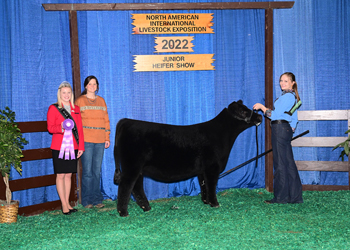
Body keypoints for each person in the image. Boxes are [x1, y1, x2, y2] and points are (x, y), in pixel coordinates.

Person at [253, 72, 303, 204]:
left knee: (280, 163)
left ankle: (281, 197)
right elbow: (294, 116)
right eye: (281, 81)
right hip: (284, 129)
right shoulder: (292, 97)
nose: (282, 83)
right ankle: (295, 197)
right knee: (288, 163)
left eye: (285, 81)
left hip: (279, 129)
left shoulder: (287, 97)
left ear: (292, 83)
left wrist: (262, 107)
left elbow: (274, 115)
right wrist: (290, 127)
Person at [47, 81, 85, 215]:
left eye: (69, 92)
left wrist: (81, 146)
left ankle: (68, 202)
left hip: (73, 146)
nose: (67, 95)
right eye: (64, 93)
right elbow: (50, 128)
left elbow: (79, 129)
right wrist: (61, 127)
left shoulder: (76, 109)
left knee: (69, 174)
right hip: (59, 147)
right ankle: (63, 204)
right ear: (60, 94)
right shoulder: (54, 108)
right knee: (60, 175)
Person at [75, 75, 111, 208]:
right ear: (85, 86)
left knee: (97, 171)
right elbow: (76, 122)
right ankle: (86, 200)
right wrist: (78, 141)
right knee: (87, 172)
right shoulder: (79, 101)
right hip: (86, 140)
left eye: (94, 84)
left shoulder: (101, 101)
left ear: (97, 86)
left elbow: (106, 120)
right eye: (90, 84)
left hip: (100, 140)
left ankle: (97, 199)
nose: (92, 86)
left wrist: (107, 137)